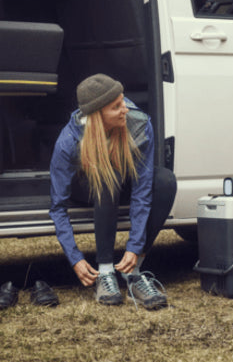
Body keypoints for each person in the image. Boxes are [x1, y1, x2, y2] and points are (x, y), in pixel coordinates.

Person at [49, 73, 177, 310]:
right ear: (98, 115)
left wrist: (135, 247)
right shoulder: (68, 141)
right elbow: (58, 207)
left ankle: (133, 272)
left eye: (123, 100)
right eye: (116, 106)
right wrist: (75, 258)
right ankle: (105, 272)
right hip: (87, 184)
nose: (125, 108)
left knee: (165, 181)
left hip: (122, 177)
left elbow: (142, 190)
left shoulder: (139, 124)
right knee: (108, 177)